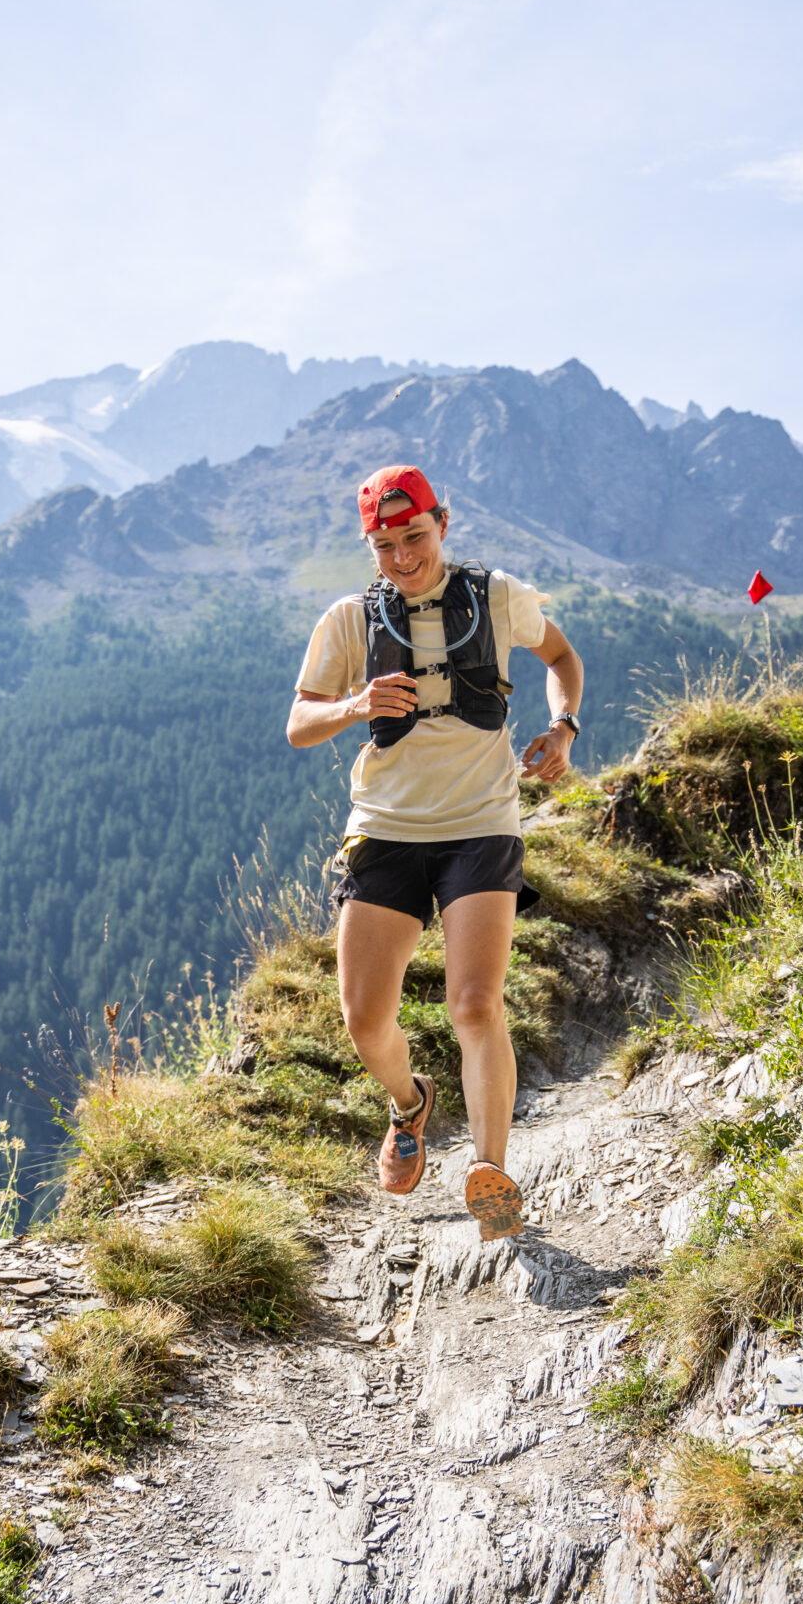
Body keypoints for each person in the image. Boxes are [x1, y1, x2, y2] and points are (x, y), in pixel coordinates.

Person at [286, 463, 583, 1240]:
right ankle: (410, 1103)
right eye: (384, 545)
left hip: (482, 822)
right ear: (369, 546)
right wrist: (354, 705)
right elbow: (298, 723)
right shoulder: (351, 619)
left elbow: (563, 661)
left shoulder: (497, 596)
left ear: (442, 524)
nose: (402, 556)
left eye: (414, 536)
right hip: (385, 827)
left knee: (475, 1004)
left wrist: (562, 728)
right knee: (363, 1022)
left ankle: (492, 1174)